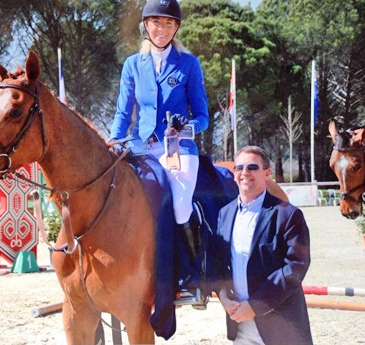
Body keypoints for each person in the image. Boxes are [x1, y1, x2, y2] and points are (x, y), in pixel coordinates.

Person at [109, 0, 209, 304]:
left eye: (168, 24)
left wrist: (183, 129)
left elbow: (203, 116)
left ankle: (193, 276)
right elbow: (123, 111)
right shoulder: (132, 65)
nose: (162, 29)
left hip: (179, 149)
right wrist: (114, 139)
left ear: (175, 27)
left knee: (179, 206)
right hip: (141, 148)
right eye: (156, 23)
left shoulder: (189, 63)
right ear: (146, 26)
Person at [208, 146, 313, 345]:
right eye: (239, 168)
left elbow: (295, 268)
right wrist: (223, 296)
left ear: (266, 174)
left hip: (281, 327)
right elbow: (218, 262)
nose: (244, 173)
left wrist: (256, 306)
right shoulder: (224, 214)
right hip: (240, 327)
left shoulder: (289, 215)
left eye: (252, 167)